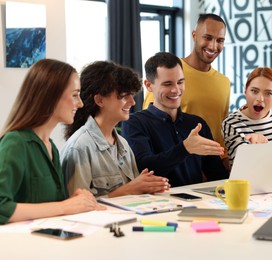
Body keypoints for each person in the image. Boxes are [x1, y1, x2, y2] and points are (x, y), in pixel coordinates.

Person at [0, 59, 104, 225]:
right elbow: (1, 207)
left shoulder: (51, 148)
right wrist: (65, 206)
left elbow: (47, 205)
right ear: (51, 96)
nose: (81, 103)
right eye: (75, 95)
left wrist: (75, 201)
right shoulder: (15, 143)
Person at [60, 61, 170, 198]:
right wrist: (129, 189)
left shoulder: (123, 144)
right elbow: (76, 207)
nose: (132, 102)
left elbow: (134, 194)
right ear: (99, 100)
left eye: (131, 95)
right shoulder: (79, 148)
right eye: (124, 96)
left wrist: (145, 186)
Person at [122, 52, 229, 187]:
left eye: (180, 82)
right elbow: (144, 168)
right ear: (149, 85)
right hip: (156, 204)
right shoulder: (134, 123)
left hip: (197, 203)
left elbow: (218, 176)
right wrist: (185, 148)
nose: (176, 90)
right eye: (167, 84)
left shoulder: (197, 124)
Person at [141, 13, 230, 168]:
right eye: (207, 37)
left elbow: (219, 132)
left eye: (219, 40)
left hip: (210, 173)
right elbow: (152, 124)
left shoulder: (224, 82)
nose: (213, 46)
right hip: (173, 170)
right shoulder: (169, 75)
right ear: (194, 35)